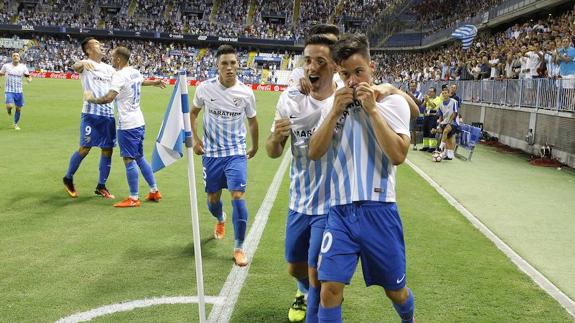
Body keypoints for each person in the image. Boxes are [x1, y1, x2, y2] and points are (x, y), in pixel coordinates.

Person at [309, 33, 414, 323]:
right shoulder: (333, 105)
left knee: (396, 290)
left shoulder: (393, 104)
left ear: (372, 66)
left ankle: (409, 319)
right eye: (346, 74)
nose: (353, 80)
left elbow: (398, 156)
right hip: (339, 211)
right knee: (329, 288)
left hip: (379, 209)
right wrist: (332, 114)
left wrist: (372, 110)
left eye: (359, 72)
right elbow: (314, 152)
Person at [266, 34, 338, 323]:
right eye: (308, 60)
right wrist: (276, 136)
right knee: (295, 267)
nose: (313, 66)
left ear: (334, 65)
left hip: (332, 203)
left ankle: (321, 303)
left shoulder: (345, 95)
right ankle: (307, 292)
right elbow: (273, 151)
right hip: (300, 198)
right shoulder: (290, 98)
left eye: (321, 61)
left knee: (317, 271)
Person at [190, 44, 259, 267]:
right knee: (212, 200)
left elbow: (253, 121)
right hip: (211, 154)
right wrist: (195, 139)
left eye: (233, 63)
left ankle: (239, 247)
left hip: (236, 153)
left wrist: (255, 146)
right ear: (217, 67)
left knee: (238, 196)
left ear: (238, 64)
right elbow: (192, 114)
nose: (229, 68)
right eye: (224, 64)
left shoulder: (246, 93)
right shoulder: (204, 88)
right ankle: (220, 218)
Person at [85, 46, 165, 207]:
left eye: (113, 56)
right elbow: (141, 82)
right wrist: (154, 82)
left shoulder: (120, 75)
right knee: (139, 157)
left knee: (129, 159)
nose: (111, 59)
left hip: (127, 124)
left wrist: (91, 99)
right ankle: (154, 190)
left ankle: (134, 198)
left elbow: (109, 98)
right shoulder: (134, 71)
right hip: (139, 122)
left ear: (119, 59)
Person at [62, 38, 116, 199]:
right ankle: (68, 178)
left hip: (108, 115)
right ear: (88, 49)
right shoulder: (85, 64)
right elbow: (75, 67)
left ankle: (101, 186)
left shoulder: (109, 69)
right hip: (91, 114)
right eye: (97, 44)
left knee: (108, 150)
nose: (101, 45)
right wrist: (82, 63)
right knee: (85, 148)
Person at [0, 52, 31, 130]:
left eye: (17, 56)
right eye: (14, 56)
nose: (15, 57)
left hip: (19, 91)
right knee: (10, 106)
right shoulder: (6, 66)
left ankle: (15, 124)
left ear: (19, 58)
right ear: (11, 57)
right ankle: (9, 109)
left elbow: (28, 76)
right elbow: (0, 74)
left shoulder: (23, 67)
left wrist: (29, 79)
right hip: (9, 90)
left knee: (18, 109)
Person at [437, 88, 459, 160]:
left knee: (446, 131)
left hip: (454, 122)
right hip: (445, 122)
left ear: (449, 94)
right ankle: (449, 155)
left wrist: (449, 122)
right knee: (448, 139)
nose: (444, 94)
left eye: (446, 93)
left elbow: (454, 113)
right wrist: (439, 125)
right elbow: (440, 116)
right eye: (443, 93)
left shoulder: (454, 102)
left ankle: (440, 147)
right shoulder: (440, 104)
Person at [420, 87, 441, 152]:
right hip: (426, 116)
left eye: (431, 92)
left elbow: (433, 106)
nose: (429, 93)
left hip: (433, 117)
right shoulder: (427, 99)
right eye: (429, 91)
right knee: (425, 130)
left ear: (434, 92)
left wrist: (428, 100)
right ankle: (425, 146)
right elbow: (422, 106)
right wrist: (425, 101)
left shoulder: (438, 99)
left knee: (431, 131)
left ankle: (432, 147)